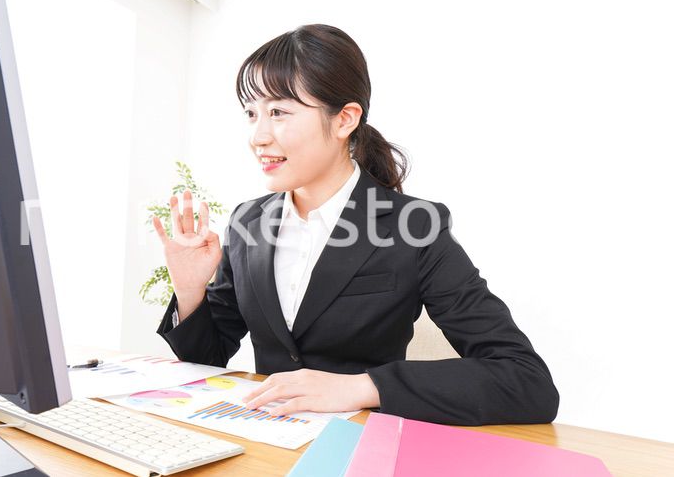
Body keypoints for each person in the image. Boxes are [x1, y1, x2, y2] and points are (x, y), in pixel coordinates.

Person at [152, 24, 559, 426]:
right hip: (265, 441)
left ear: (345, 119)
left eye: (278, 112)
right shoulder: (248, 221)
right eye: (251, 113)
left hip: (363, 443)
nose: (258, 136)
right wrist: (190, 291)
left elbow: (526, 381)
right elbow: (207, 360)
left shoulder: (414, 225)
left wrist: (363, 387)